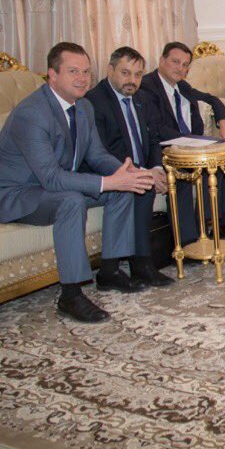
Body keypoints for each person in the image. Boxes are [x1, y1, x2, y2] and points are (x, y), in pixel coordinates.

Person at [0, 42, 154, 322]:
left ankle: (109, 271)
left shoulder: (83, 107)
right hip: (16, 194)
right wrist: (109, 182)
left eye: (86, 71)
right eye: (73, 71)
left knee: (122, 189)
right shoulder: (32, 113)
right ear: (52, 75)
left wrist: (127, 173)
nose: (82, 78)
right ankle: (71, 296)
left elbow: (96, 155)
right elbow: (49, 176)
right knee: (73, 200)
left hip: (50, 187)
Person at [85, 46, 174, 288]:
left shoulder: (142, 98)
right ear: (110, 70)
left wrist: (156, 167)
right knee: (141, 187)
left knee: (159, 181)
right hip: (107, 171)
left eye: (137, 74)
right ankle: (138, 265)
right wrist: (140, 173)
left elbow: (154, 138)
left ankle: (152, 260)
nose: (132, 81)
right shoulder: (94, 101)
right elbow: (101, 151)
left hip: (141, 169)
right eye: (125, 73)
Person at [138, 41, 225, 241]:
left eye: (185, 65)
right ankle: (189, 241)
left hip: (191, 145)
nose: (180, 68)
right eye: (175, 62)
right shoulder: (147, 87)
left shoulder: (182, 86)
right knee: (182, 176)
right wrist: (188, 141)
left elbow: (213, 99)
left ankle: (220, 224)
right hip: (166, 150)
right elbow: (155, 128)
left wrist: (223, 122)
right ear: (162, 60)